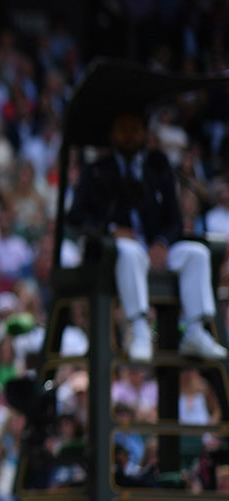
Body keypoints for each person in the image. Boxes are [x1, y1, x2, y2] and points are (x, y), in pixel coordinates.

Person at [67, 111, 227, 362]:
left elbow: (174, 220)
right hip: (113, 253)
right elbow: (76, 217)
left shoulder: (157, 167)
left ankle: (195, 330)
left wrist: (162, 243)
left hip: (153, 248)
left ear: (144, 133)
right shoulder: (96, 170)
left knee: (197, 254)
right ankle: (139, 329)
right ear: (112, 134)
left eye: (135, 129)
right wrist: (109, 229)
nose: (130, 136)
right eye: (123, 130)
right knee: (128, 251)